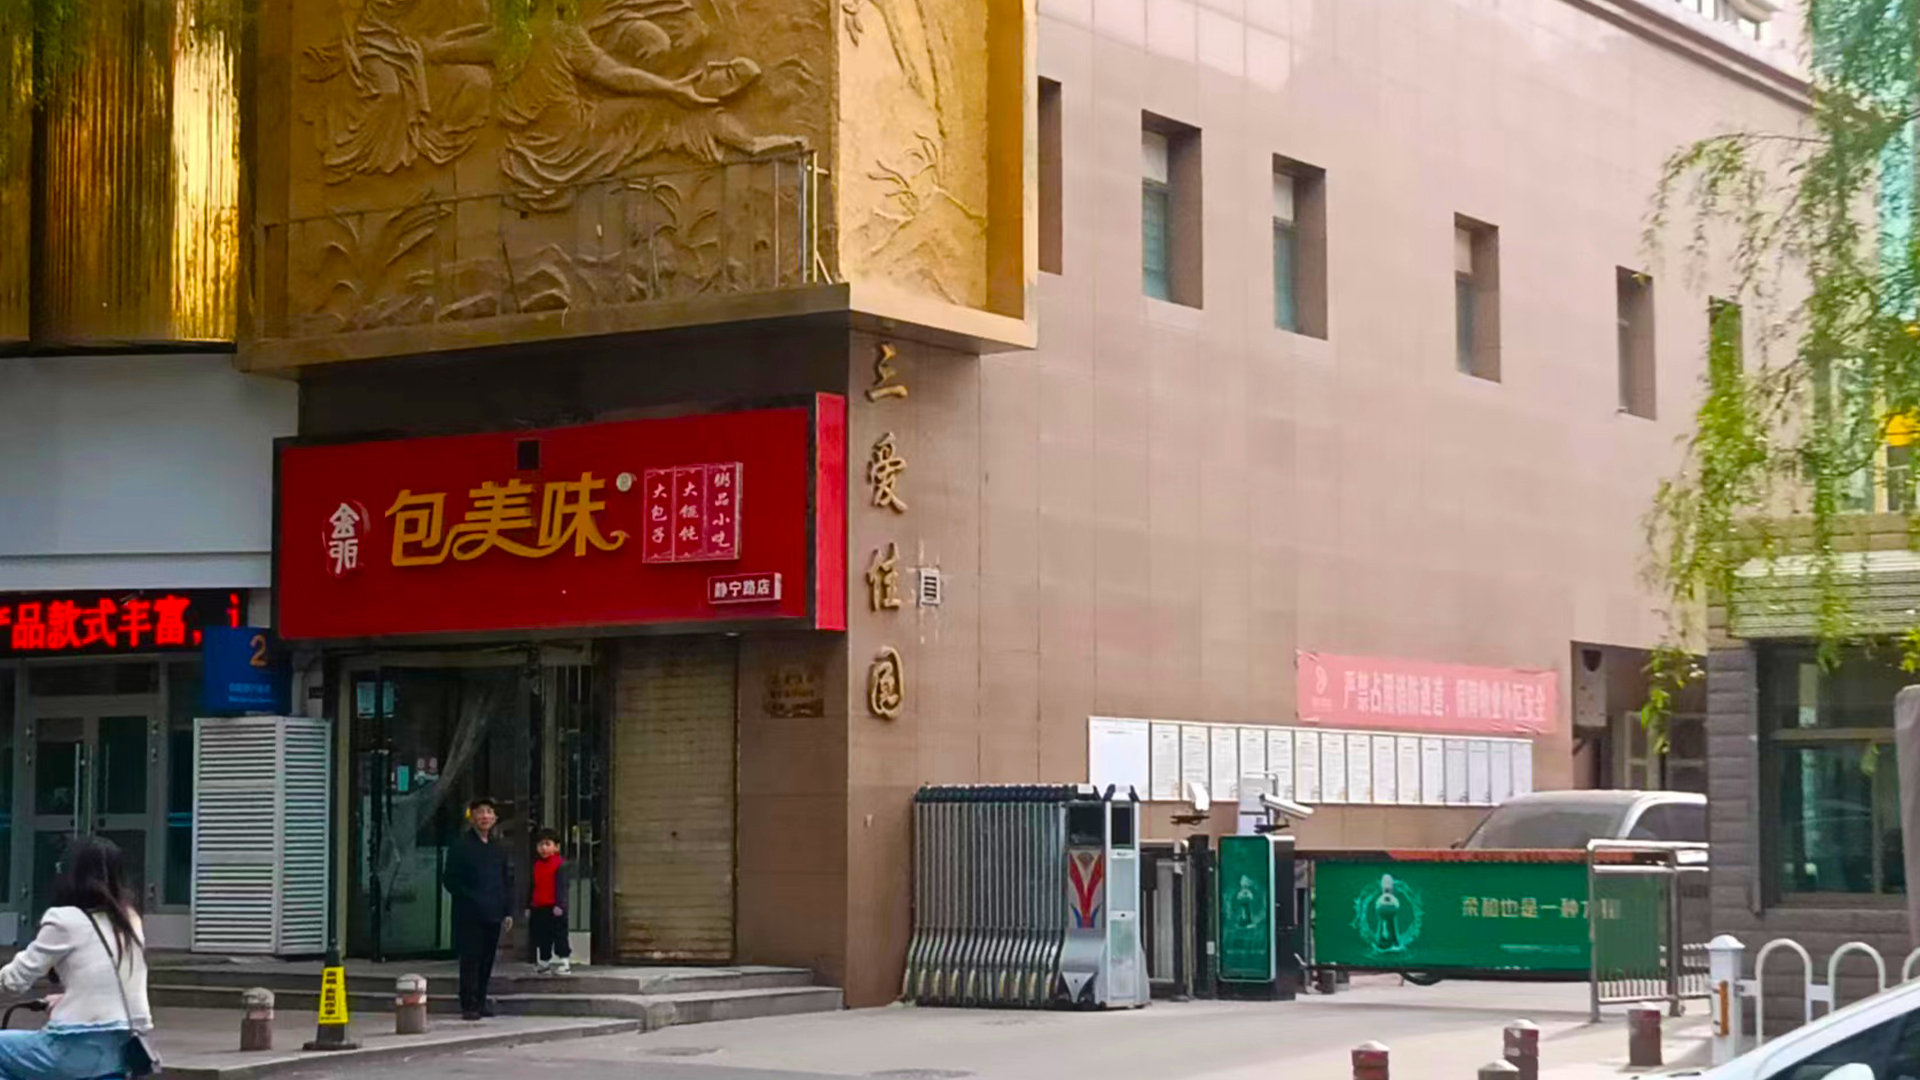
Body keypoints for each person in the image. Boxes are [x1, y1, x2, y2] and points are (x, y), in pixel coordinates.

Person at [0, 837, 152, 1079]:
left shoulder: (64, 919)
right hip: (120, 1053)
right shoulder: (129, 920)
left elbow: (15, 981)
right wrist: (69, 998)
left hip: (72, 1050)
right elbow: (111, 978)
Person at [445, 797, 513, 1021]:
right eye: (480, 812)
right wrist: (470, 899)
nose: (485, 816)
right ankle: (469, 1004)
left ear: (495, 818)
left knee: (487, 959)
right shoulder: (461, 846)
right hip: (469, 914)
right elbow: (450, 880)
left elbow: (505, 880)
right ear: (472, 817)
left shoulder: (497, 848)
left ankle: (481, 1001)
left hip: (493, 913)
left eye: (489, 812)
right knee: (470, 960)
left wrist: (507, 911)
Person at [528, 828, 572, 975]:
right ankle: (544, 962)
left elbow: (563, 886)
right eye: (541, 844)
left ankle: (564, 962)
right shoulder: (536, 865)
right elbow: (532, 886)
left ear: (556, 847)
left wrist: (560, 905)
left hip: (555, 907)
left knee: (560, 936)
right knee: (542, 936)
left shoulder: (560, 864)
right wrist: (529, 905)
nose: (544, 848)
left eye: (548, 844)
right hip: (539, 906)